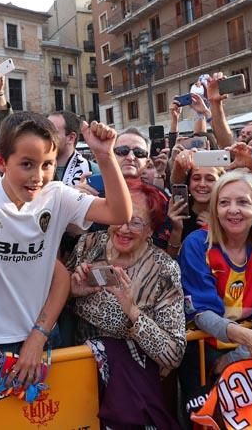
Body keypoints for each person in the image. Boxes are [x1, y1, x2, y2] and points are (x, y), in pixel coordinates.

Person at [0, 110, 131, 389]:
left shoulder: (57, 196)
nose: (38, 176)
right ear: (2, 162)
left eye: (47, 164)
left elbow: (119, 212)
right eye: (27, 164)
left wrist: (105, 156)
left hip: (44, 337)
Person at [68, 180, 185, 429]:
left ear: (151, 230)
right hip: (79, 379)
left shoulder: (163, 269)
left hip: (132, 389)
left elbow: (173, 353)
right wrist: (71, 290)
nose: (123, 228)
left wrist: (132, 311)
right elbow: (54, 301)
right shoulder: (88, 246)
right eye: (120, 217)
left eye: (136, 222)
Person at [177, 170, 252, 414]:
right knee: (207, 421)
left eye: (243, 202)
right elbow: (200, 311)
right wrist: (244, 339)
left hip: (251, 352)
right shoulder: (197, 245)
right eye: (224, 202)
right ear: (215, 209)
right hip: (201, 350)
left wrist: (235, 357)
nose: (233, 210)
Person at [48, 110, 98, 186]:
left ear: (71, 138)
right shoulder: (37, 170)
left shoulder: (93, 171)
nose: (45, 136)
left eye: (52, 132)